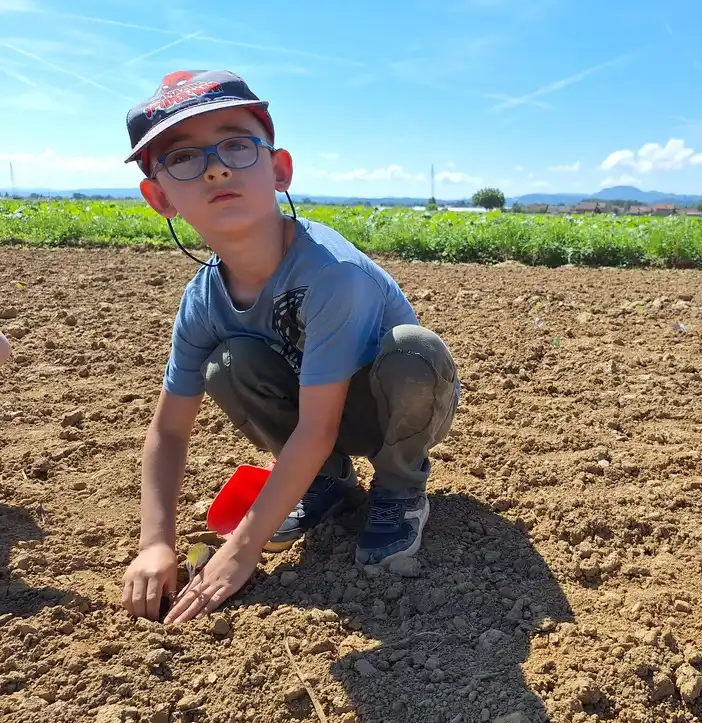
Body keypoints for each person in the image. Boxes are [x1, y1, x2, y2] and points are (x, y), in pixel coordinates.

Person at [118, 70, 460, 624]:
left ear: (279, 170)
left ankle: (400, 489)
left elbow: (318, 426)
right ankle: (328, 482)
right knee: (226, 364)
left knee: (413, 351)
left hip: (386, 409)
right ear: (159, 197)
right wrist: (155, 542)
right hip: (312, 416)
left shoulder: (331, 274)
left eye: (236, 144)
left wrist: (242, 548)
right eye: (182, 157)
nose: (216, 168)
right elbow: (169, 430)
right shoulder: (204, 299)